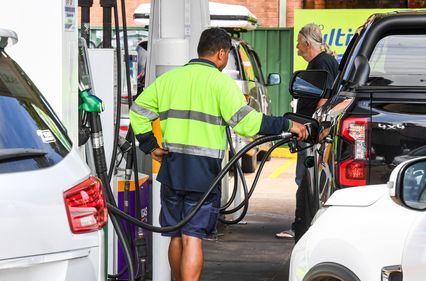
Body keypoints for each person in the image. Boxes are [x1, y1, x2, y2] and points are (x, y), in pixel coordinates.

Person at [129, 27, 308, 281]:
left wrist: (150, 145)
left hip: (172, 168)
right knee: (192, 237)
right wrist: (288, 124)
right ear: (222, 53)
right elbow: (249, 124)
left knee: (176, 235)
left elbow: (137, 111)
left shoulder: (170, 79)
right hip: (203, 174)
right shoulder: (222, 84)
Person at [276, 23, 339, 242]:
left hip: (310, 133)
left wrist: (315, 125)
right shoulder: (321, 62)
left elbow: (326, 96)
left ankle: (302, 227)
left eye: (298, 43)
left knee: (305, 180)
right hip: (308, 131)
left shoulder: (322, 63)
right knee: (304, 179)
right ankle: (303, 224)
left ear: (307, 42)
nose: (296, 48)